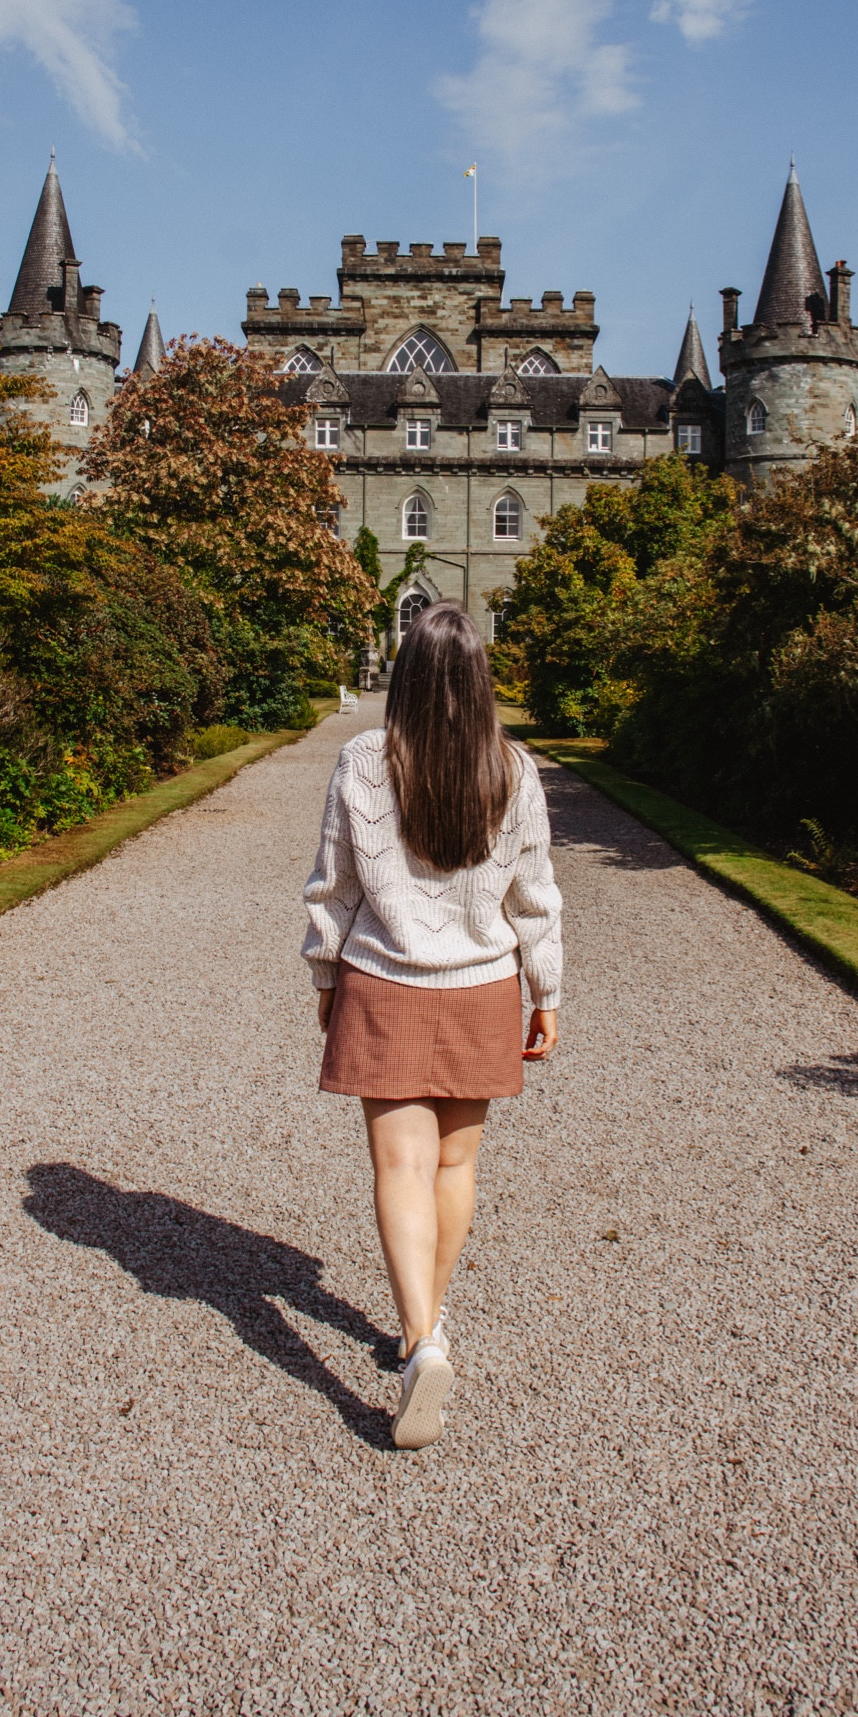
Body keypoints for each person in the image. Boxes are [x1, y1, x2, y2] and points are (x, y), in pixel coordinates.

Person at [302, 602, 563, 1449]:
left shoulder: (361, 763)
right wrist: (545, 993)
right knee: (454, 1165)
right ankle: (429, 1328)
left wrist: (322, 975)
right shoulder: (514, 771)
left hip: (385, 981)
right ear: (481, 681)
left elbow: (334, 887)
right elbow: (535, 897)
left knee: (400, 1166)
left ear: (407, 677)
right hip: (482, 989)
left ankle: (420, 1341)